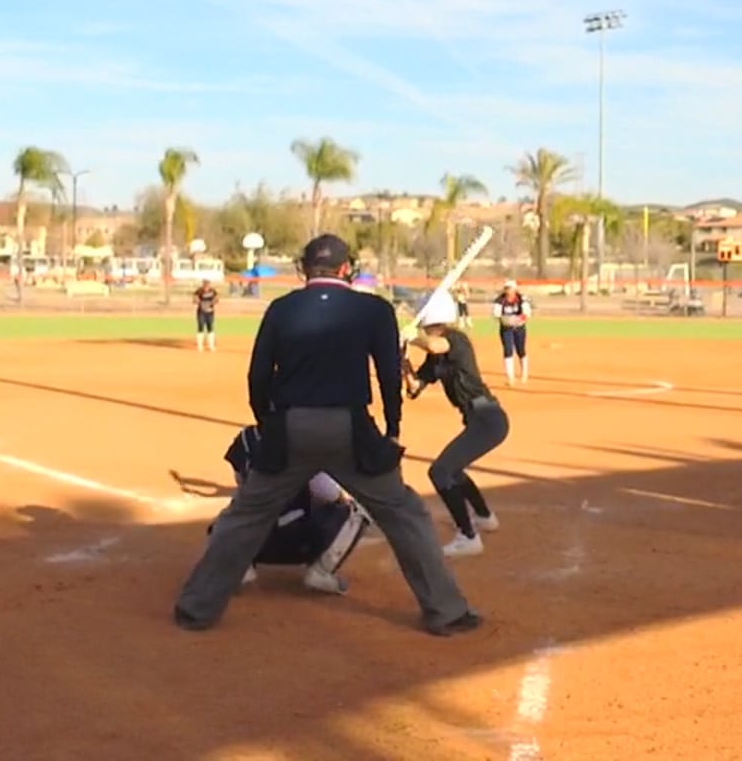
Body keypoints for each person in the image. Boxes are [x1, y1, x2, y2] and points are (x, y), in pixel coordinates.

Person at [172, 234, 480, 636]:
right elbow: (388, 377)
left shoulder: (282, 308)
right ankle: (446, 612)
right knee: (404, 514)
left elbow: (258, 375)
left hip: (289, 425)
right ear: (345, 268)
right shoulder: (374, 309)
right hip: (349, 427)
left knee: (245, 516)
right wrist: (392, 428)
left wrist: (269, 424)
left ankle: (196, 608)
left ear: (304, 269)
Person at [403, 290, 508, 558]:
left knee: (440, 472)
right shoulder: (436, 356)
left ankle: (468, 536)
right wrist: (403, 361)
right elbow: (415, 388)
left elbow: (434, 345)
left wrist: (411, 336)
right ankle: (484, 517)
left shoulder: (455, 339)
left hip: (488, 418)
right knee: (453, 469)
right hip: (476, 419)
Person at [214, 425, 370, 594]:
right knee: (357, 511)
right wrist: (340, 500)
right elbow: (327, 492)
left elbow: (240, 480)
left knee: (230, 516)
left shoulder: (247, 437)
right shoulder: (304, 441)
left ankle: (240, 566)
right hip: (293, 543)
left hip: (251, 538)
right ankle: (322, 572)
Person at [491, 280, 532, 385]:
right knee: (508, 350)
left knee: (520, 350)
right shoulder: (500, 300)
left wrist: (519, 319)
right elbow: (496, 314)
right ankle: (511, 377)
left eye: (510, 288)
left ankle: (524, 374)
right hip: (506, 328)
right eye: (506, 288)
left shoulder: (521, 299)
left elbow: (527, 313)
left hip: (519, 327)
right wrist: (504, 319)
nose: (508, 291)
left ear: (515, 289)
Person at [194, 279, 220, 352]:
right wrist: (199, 302)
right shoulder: (199, 291)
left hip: (210, 312)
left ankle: (211, 345)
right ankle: (200, 345)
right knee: (201, 326)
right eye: (205, 285)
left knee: (210, 327)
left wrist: (213, 302)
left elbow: (217, 298)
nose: (206, 286)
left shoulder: (213, 291)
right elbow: (195, 298)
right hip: (201, 312)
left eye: (207, 285)